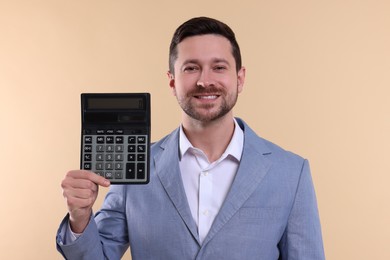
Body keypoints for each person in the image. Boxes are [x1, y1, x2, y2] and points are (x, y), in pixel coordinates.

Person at [56, 16, 325, 259]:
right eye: (191, 68)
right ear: (172, 82)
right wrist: (79, 218)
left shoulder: (291, 173)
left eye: (219, 67)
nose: (205, 81)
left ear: (240, 78)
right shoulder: (136, 168)